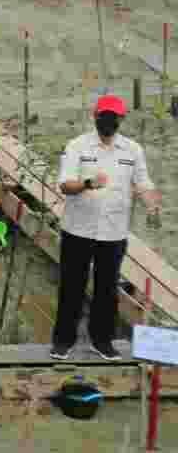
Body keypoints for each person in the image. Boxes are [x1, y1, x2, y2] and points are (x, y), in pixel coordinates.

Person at [51, 95, 161, 361]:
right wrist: (88, 183)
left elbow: (143, 182)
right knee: (71, 287)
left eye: (114, 116)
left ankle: (102, 341)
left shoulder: (132, 150)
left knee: (107, 288)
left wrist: (151, 202)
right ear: (95, 116)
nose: (109, 121)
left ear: (121, 119)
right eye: (104, 115)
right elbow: (65, 185)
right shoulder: (78, 146)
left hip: (114, 232)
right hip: (78, 229)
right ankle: (63, 342)